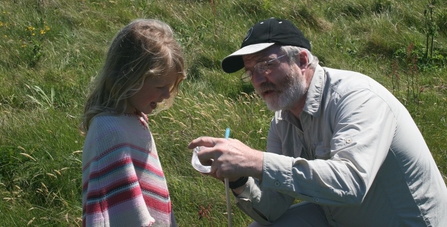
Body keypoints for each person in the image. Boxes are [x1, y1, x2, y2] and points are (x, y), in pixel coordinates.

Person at [188, 18, 447, 226]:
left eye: (266, 64)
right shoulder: (283, 119)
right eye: (250, 70)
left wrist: (256, 161)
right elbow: (273, 208)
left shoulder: (358, 98)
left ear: (301, 60)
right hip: (338, 217)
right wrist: (239, 179)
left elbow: (351, 184)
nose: (258, 79)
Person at [81, 19, 186, 227]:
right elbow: (120, 213)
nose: (166, 94)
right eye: (160, 86)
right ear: (129, 77)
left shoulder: (135, 120)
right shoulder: (109, 131)